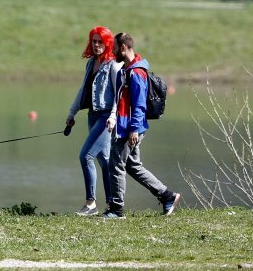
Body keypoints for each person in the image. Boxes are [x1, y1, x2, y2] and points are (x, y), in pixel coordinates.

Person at [104, 32, 180, 219]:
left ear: (123, 47)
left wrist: (133, 129)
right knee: (133, 166)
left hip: (129, 128)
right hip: (127, 126)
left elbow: (139, 105)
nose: (112, 51)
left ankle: (116, 210)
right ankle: (167, 196)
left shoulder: (136, 73)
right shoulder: (129, 69)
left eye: (114, 47)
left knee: (116, 165)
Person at [65, 27, 122, 216]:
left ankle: (91, 203)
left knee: (86, 156)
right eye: (94, 41)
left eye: (100, 42)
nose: (96, 45)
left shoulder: (113, 65)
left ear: (107, 44)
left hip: (107, 118)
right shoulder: (91, 63)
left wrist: (114, 116)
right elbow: (83, 89)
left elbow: (118, 95)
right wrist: (72, 113)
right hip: (93, 115)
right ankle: (111, 205)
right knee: (103, 160)